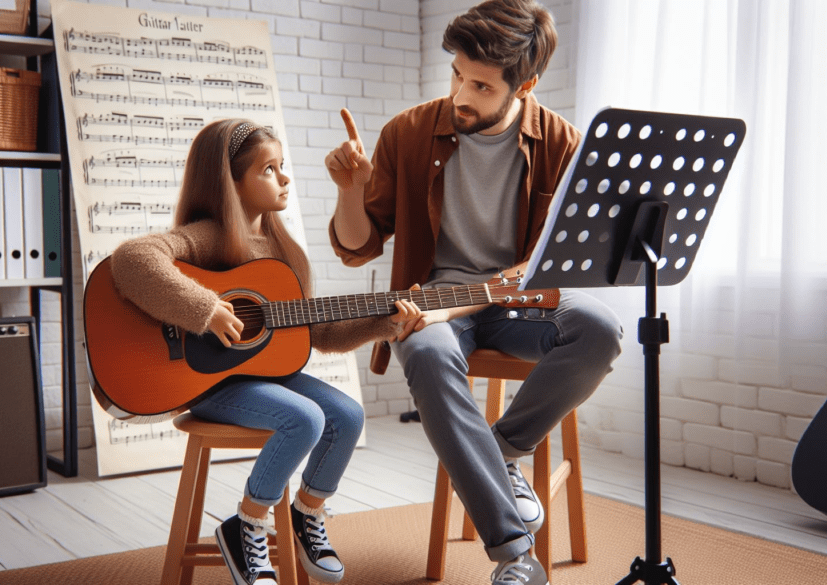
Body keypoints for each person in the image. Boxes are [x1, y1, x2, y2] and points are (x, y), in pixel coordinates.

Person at [324, 1, 624, 584]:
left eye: (481, 85)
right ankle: (516, 555)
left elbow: (543, 269)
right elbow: (358, 247)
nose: (461, 93)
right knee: (431, 353)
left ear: (526, 84)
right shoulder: (409, 133)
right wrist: (350, 190)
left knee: (600, 329)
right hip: (434, 301)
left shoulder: (562, 143)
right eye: (456, 74)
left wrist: (464, 299)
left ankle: (500, 450)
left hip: (517, 302)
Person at [111, 118, 420, 585]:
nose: (284, 177)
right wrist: (205, 308)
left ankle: (305, 513)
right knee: (306, 418)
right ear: (229, 182)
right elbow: (132, 259)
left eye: (282, 166)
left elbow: (319, 333)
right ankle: (247, 524)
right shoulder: (209, 235)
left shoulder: (285, 251)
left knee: (348, 415)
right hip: (212, 382)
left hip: (268, 377)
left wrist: (385, 322)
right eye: (268, 169)